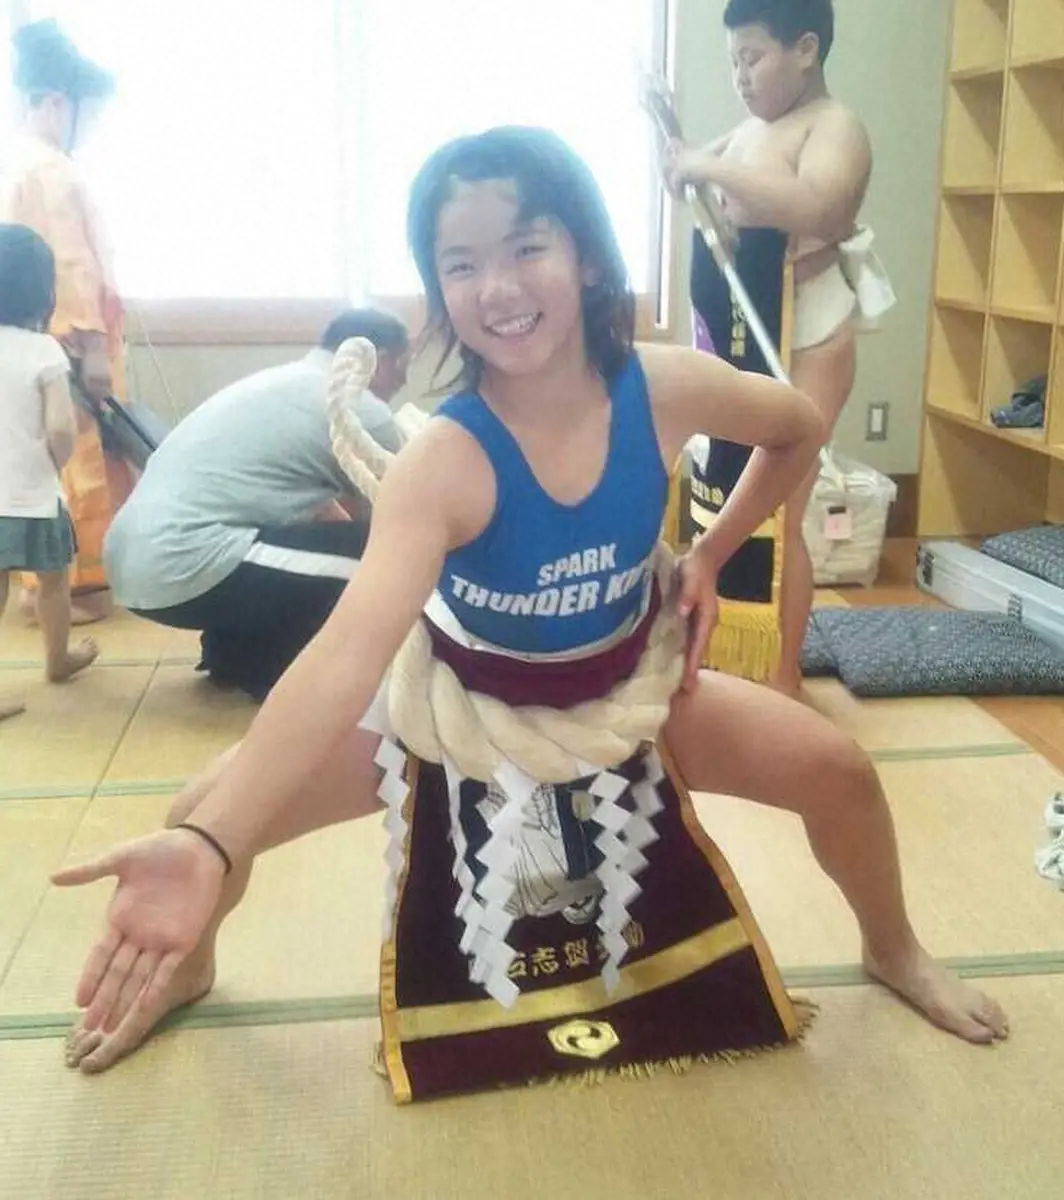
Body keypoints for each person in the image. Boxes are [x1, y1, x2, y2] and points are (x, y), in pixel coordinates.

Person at [54, 127, 1004, 1082]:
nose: (498, 287)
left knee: (839, 771)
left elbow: (795, 429)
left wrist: (710, 555)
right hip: (453, 719)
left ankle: (893, 948)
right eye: (461, 264)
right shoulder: (444, 462)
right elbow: (346, 652)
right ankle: (189, 968)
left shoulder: (662, 388)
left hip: (629, 700)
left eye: (526, 246)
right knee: (202, 806)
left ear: (585, 255)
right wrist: (210, 842)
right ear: (438, 290)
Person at [662, 0, 896, 696]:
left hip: (813, 331)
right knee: (720, 494)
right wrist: (688, 172)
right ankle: (716, 660)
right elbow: (715, 205)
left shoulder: (834, 125)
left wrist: (711, 166)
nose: (740, 75)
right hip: (743, 326)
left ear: (805, 49)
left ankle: (783, 678)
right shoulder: (747, 131)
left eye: (753, 57)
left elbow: (821, 207)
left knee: (781, 510)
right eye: (733, 60)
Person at [102, 309, 411, 702]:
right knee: (385, 561)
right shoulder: (362, 409)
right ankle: (282, 671)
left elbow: (314, 511)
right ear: (379, 358)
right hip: (184, 563)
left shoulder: (279, 383)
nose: (403, 381)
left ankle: (235, 652)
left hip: (136, 566)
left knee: (335, 549)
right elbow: (404, 520)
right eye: (403, 366)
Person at [1, 19, 130, 627]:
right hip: (65, 344)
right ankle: (50, 588)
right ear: (56, 102)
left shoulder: (23, 161)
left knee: (42, 463)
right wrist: (92, 347)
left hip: (39, 339)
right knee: (71, 464)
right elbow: (70, 266)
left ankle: (48, 585)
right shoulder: (47, 170)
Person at [0, 223, 99, 721]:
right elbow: (61, 426)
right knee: (52, 581)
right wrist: (54, 461)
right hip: (31, 495)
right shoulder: (42, 350)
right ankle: (57, 660)